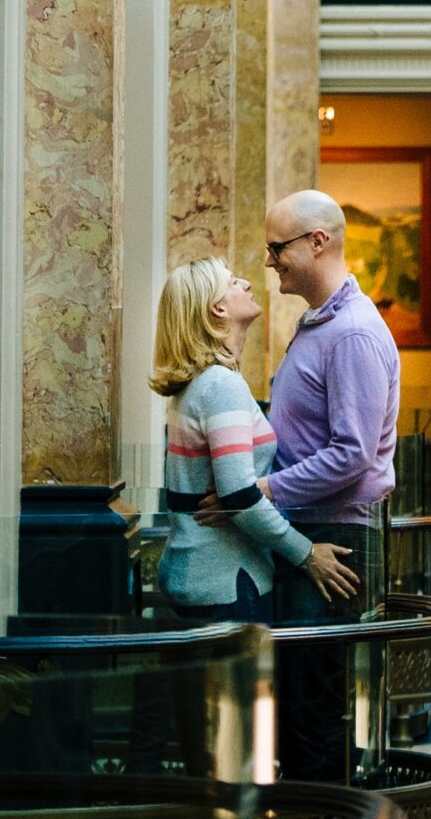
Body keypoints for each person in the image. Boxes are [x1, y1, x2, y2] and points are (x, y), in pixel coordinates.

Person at [262, 189, 401, 780]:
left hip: (332, 534)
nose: (269, 262)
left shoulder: (351, 335)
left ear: (317, 243)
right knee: (299, 705)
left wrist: (264, 491)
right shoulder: (324, 325)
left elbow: (351, 456)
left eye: (277, 248)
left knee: (311, 712)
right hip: (312, 525)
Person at [150, 255, 360, 624]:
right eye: (232, 282)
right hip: (226, 583)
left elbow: (234, 494)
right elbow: (239, 496)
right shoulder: (220, 384)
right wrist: (307, 554)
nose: (247, 284)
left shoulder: (204, 382)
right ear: (217, 308)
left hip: (203, 574)